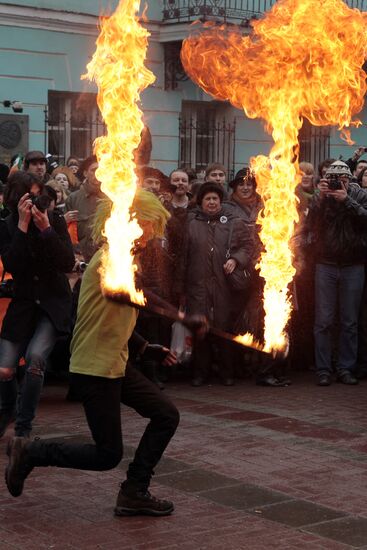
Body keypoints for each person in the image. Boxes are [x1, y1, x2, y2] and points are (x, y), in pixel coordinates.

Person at [4, 188, 206, 517]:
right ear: (133, 222)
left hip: (115, 364)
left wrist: (143, 346)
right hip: (94, 368)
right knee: (106, 454)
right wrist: (181, 316)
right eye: (149, 225)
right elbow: (129, 295)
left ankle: (134, 491)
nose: (153, 233)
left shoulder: (124, 259)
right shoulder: (111, 258)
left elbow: (111, 315)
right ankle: (31, 451)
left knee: (166, 415)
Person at [0, 171, 75, 438]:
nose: (35, 201)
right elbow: (13, 265)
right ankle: (7, 410)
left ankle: (23, 427)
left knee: (35, 359)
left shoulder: (54, 220)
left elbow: (67, 262)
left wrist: (45, 230)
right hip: (24, 304)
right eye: (30, 196)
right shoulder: (7, 225)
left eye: (38, 195)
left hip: (52, 303)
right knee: (5, 368)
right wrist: (21, 225)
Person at [178, 182, 253, 386]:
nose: (211, 202)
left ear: (221, 202)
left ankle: (227, 373)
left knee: (225, 330)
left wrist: (235, 259)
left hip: (224, 287)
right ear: (201, 202)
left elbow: (248, 247)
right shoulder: (191, 223)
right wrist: (182, 289)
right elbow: (183, 257)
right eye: (207, 199)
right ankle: (200, 373)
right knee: (201, 330)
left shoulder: (233, 222)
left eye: (215, 199)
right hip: (197, 286)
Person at [304, 160, 367, 386]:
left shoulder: (359, 196)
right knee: (323, 321)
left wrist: (346, 200)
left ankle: (345, 368)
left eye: (342, 180)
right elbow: (309, 226)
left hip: (354, 264)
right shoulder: (322, 198)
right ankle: (323, 369)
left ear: (349, 180)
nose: (337, 184)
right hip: (326, 264)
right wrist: (320, 199)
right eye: (333, 180)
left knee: (350, 321)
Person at [65, 155, 105, 262]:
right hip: (82, 260)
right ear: (85, 173)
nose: (97, 173)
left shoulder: (112, 198)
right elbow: (67, 234)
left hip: (106, 260)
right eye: (93, 170)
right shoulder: (73, 199)